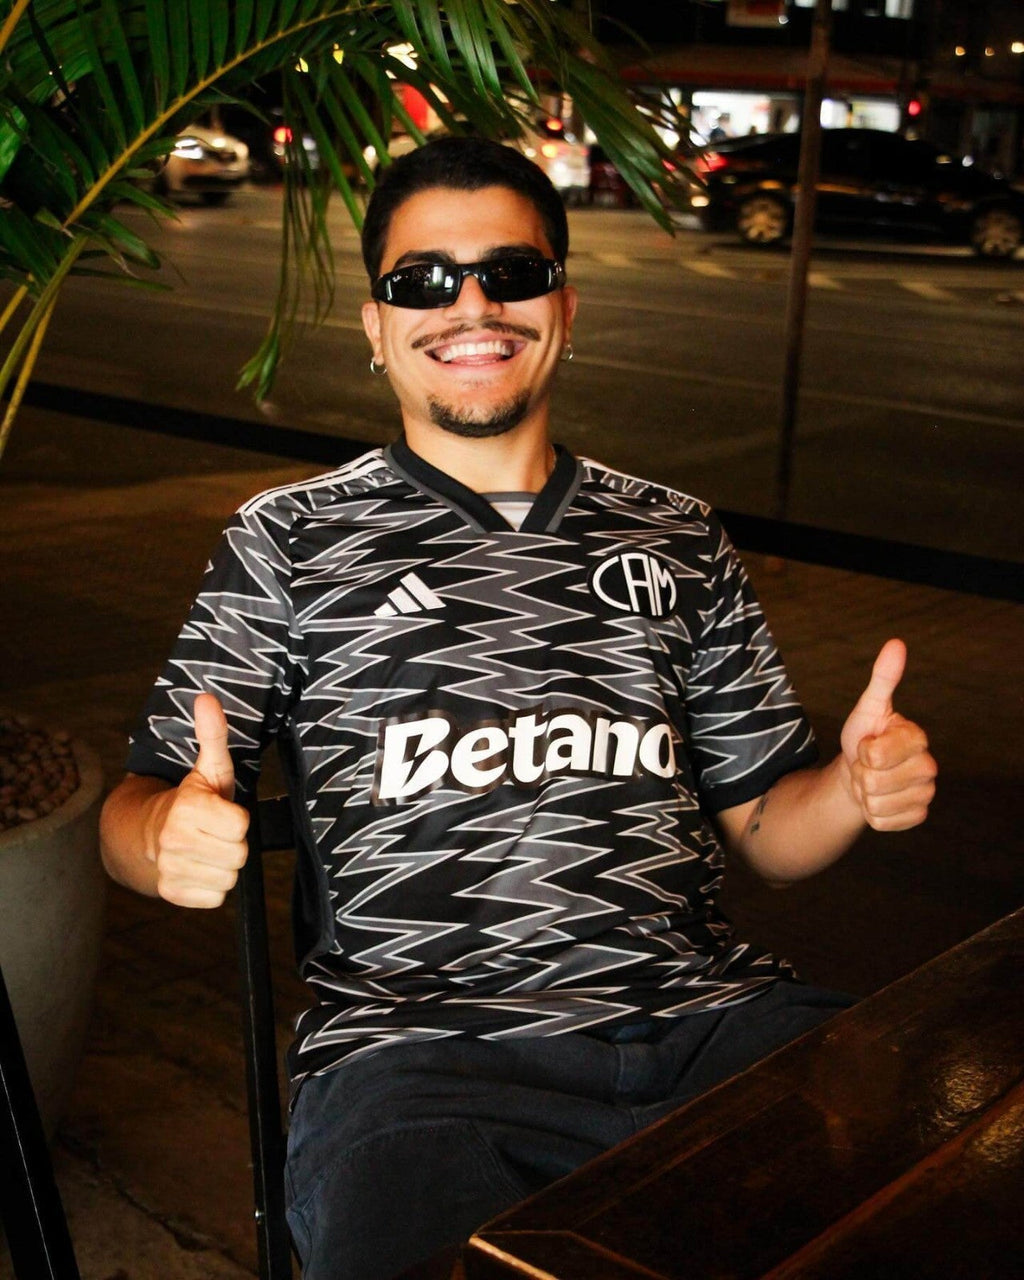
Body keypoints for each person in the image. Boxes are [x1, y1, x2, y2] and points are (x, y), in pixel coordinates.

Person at [100, 136, 937, 1280]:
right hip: (421, 1063)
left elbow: (766, 833)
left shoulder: (677, 534)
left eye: (512, 271)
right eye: (423, 281)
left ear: (564, 305)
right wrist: (162, 834)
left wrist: (848, 787)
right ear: (376, 326)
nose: (472, 304)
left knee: (927, 1189)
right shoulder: (287, 539)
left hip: (710, 1024)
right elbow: (134, 806)